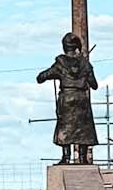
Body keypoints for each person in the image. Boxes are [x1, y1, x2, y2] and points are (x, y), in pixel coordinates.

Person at [36, 33, 98, 166]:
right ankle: (83, 158)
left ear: (64, 47)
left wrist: (49, 75)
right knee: (83, 128)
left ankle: (66, 157)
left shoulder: (60, 64)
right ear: (77, 47)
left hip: (67, 99)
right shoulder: (85, 64)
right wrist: (85, 69)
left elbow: (41, 77)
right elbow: (94, 85)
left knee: (65, 126)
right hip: (81, 99)